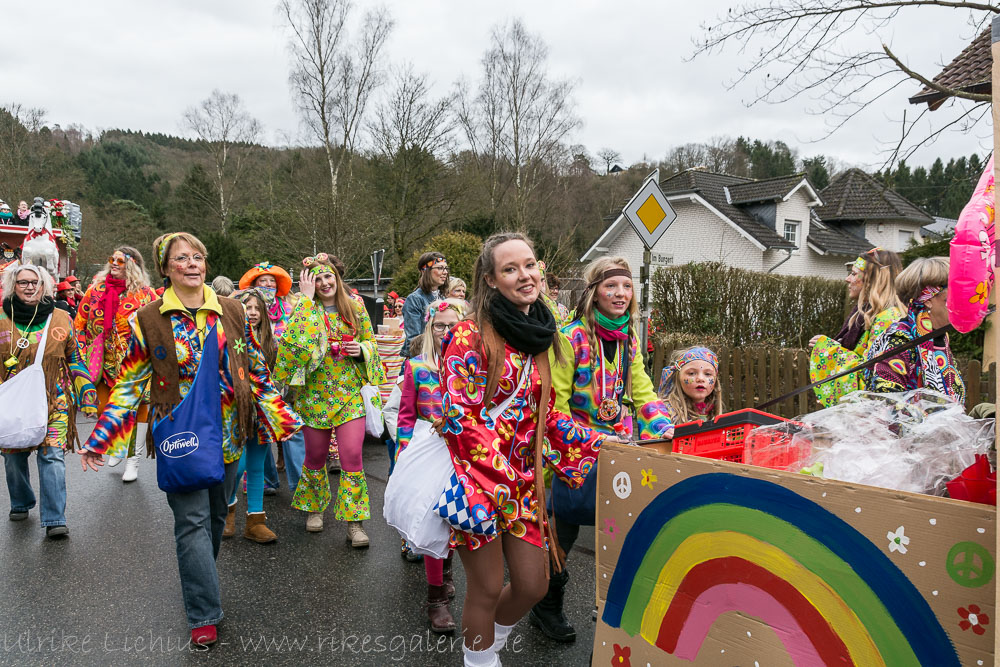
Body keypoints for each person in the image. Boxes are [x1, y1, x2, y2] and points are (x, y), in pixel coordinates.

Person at [79, 232, 301, 646]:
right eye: (181, 258)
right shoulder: (147, 319)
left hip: (229, 433)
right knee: (191, 522)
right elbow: (128, 385)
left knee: (217, 516)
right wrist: (101, 438)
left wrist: (284, 418)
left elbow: (254, 371)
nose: (192, 263)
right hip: (179, 436)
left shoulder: (233, 311)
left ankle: (199, 575)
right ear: (165, 268)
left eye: (197, 256)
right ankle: (203, 611)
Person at [438, 232, 613, 667]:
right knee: (486, 587)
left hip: (525, 487)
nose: (525, 275)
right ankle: (480, 661)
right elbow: (460, 419)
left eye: (530, 265)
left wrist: (603, 443)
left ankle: (486, 648)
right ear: (492, 279)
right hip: (477, 485)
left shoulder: (539, 337)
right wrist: (500, 477)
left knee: (534, 585)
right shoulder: (468, 335)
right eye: (511, 268)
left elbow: (547, 417)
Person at [538, 257, 674, 642]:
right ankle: (547, 607)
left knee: (619, 532)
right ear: (594, 291)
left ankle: (614, 612)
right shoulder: (570, 337)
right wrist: (592, 441)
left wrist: (667, 428)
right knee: (561, 533)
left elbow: (643, 393)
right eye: (611, 286)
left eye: (626, 287)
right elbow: (554, 407)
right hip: (573, 453)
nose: (620, 294)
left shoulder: (629, 339)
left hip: (620, 452)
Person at [273, 253, 385, 545]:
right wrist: (306, 302)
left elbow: (371, 342)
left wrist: (361, 350)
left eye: (328, 276)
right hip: (313, 397)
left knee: (352, 457)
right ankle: (314, 508)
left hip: (349, 395)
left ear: (337, 278)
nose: (324, 283)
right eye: (317, 278)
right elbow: (291, 349)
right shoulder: (303, 308)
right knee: (315, 457)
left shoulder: (356, 306)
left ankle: (355, 523)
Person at [1, 264, 96, 537]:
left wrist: (87, 393)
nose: (29, 287)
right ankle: (21, 501)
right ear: (13, 286)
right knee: (13, 455)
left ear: (44, 286)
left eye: (35, 282)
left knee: (52, 455)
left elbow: (75, 359)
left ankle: (55, 519)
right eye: (23, 282)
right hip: (12, 401)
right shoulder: (1, 318)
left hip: (54, 400)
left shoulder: (61, 318)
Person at [395, 298, 465, 633]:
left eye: (453, 324)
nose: (446, 331)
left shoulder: (473, 366)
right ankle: (436, 598)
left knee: (458, 520)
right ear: (429, 328)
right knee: (434, 520)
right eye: (440, 325)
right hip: (428, 448)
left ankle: (447, 568)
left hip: (466, 448)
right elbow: (406, 414)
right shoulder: (417, 368)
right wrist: (403, 451)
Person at [73, 246, 158, 483]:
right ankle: (117, 445)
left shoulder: (145, 294)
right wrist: (82, 351)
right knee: (103, 407)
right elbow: (79, 322)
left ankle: (133, 461)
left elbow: (159, 327)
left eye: (120, 260)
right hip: (102, 362)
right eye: (112, 259)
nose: (114, 263)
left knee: (139, 410)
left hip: (136, 364)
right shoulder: (96, 290)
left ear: (132, 265)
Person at [808, 248, 905, 406]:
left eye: (854, 274)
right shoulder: (865, 314)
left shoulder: (888, 319)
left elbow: (871, 374)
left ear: (872, 280)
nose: (848, 279)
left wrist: (829, 350)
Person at [223, 288, 282, 543]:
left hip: (262, 412)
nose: (253, 312)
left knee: (257, 465)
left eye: (258, 308)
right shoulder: (226, 338)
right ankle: (227, 509)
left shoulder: (270, 342)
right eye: (248, 307)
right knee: (237, 467)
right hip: (234, 411)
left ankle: (255, 520)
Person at [864, 257, 965, 402]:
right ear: (928, 300)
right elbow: (886, 403)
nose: (960, 304)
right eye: (952, 298)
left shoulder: (940, 337)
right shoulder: (900, 339)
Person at [237, 261, 301, 488]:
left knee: (288, 428)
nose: (267, 285)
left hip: (284, 376)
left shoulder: (290, 307)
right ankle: (265, 479)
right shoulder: (242, 311)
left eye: (271, 281)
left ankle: (299, 486)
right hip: (253, 382)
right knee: (257, 431)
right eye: (262, 281)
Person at [658, 346, 725, 424]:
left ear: (715, 380)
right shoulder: (663, 411)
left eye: (708, 374)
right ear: (678, 377)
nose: (700, 378)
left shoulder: (712, 414)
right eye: (691, 373)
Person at [402, 252, 448, 356]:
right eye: (440, 268)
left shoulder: (444, 298)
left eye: (446, 268)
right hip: (422, 362)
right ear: (425, 271)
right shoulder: (414, 299)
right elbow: (414, 341)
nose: (445, 272)